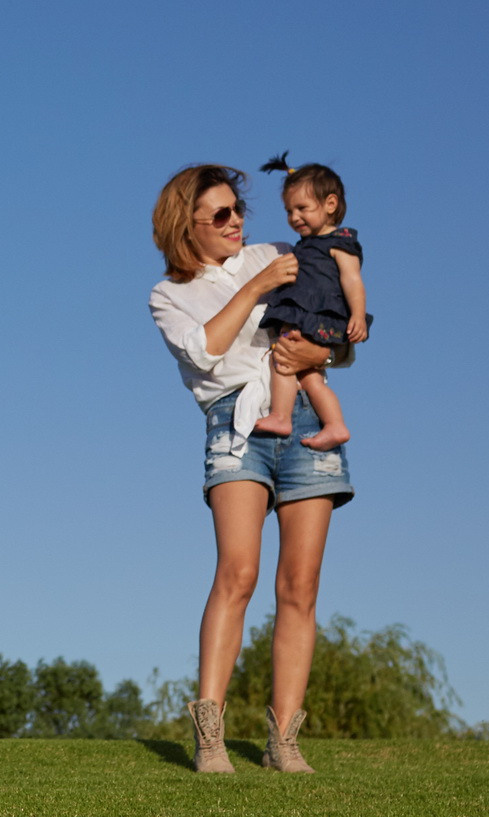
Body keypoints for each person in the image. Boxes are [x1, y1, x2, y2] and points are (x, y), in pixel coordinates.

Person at [146, 163, 349, 776]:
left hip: (306, 413)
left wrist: (328, 349)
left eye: (239, 210)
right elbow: (207, 350)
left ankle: (283, 742)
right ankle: (211, 736)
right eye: (221, 215)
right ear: (189, 227)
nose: (237, 222)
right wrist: (257, 282)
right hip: (236, 424)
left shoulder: (279, 249)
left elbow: (336, 328)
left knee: (301, 587)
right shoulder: (169, 295)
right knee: (237, 574)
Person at [248, 157, 370, 451]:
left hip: (315, 313)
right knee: (310, 377)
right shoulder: (307, 244)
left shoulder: (340, 241)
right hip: (309, 311)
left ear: (330, 204)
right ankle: (335, 424)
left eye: (302, 208)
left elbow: (353, 280)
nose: (294, 217)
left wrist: (358, 315)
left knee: (283, 357)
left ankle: (280, 415)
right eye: (289, 211)